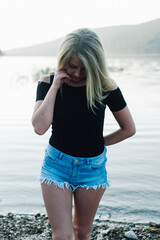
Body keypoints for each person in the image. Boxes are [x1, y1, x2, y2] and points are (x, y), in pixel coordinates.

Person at [31, 28, 136, 240]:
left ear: (95, 65)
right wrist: (55, 86)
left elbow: (128, 129)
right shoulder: (47, 83)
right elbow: (39, 127)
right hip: (56, 166)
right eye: (72, 66)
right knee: (62, 235)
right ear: (63, 60)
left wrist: (99, 142)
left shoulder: (105, 87)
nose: (77, 74)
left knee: (82, 232)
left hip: (92, 169)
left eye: (84, 68)